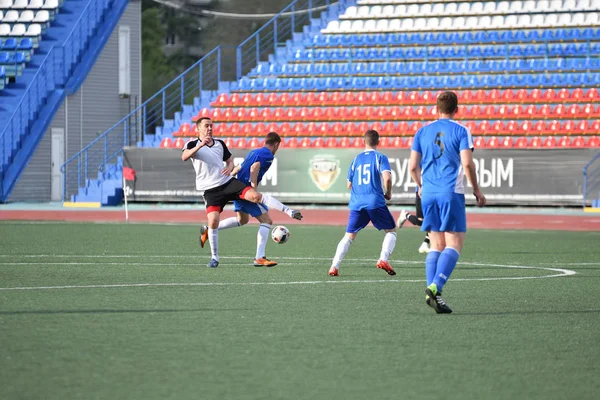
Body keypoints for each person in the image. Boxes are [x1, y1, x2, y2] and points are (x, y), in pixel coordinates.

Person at [182, 117, 303, 268]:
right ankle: (217, 257)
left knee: (246, 214)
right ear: (198, 129)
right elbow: (185, 156)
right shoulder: (192, 144)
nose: (210, 128)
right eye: (206, 126)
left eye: (211, 126)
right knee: (220, 220)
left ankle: (287, 213)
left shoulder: (219, 143)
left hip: (228, 182)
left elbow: (231, 161)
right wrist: (200, 145)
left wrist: (230, 168)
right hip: (210, 189)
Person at [409, 91, 486, 314]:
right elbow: (468, 164)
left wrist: (420, 186)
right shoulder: (461, 131)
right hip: (451, 191)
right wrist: (476, 190)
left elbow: (413, 167)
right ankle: (435, 287)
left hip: (429, 192)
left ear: (436, 108)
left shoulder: (422, 131)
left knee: (436, 245)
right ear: (457, 109)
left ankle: (433, 293)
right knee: (455, 243)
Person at [328, 129, 398, 277]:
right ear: (378, 142)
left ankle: (334, 265)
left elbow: (348, 184)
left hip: (357, 203)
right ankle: (383, 259)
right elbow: (388, 178)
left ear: (363, 142)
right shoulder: (380, 157)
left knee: (349, 236)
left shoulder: (356, 159)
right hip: (375, 201)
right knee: (391, 230)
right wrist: (388, 193)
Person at [397, 189, 431, 254]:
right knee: (420, 222)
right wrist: (420, 186)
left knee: (434, 220)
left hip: (434, 192)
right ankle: (406, 215)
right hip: (423, 192)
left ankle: (425, 243)